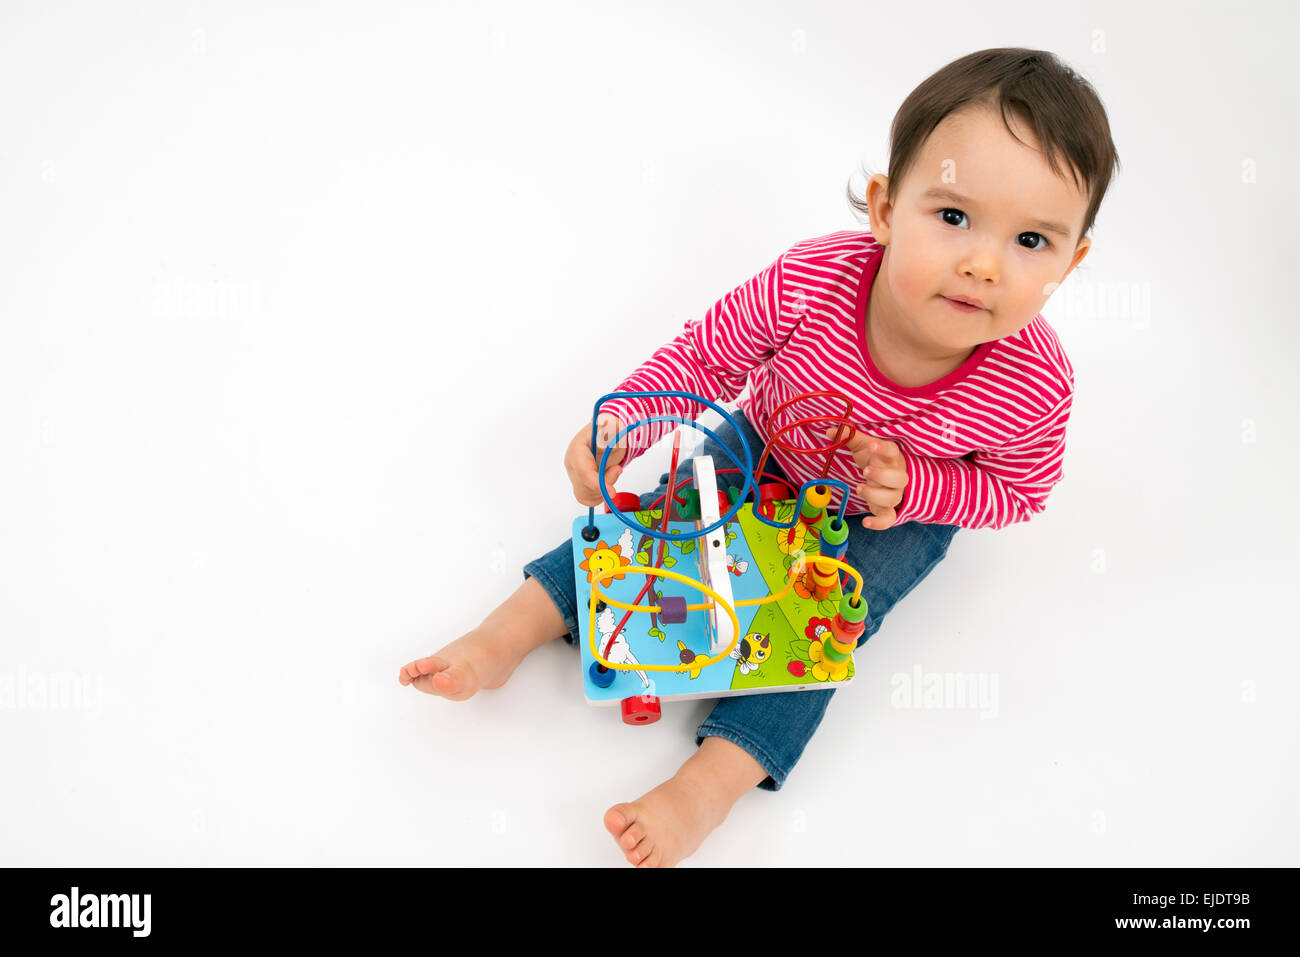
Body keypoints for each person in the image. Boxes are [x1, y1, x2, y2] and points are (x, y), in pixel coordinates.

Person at [398, 47, 1120, 867]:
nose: (983, 263)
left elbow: (1018, 491)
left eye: (1031, 240)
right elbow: (706, 358)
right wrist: (624, 423)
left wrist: (918, 485)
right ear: (885, 208)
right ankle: (506, 633)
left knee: (819, 637)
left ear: (1071, 263)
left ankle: (707, 785)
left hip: (889, 521)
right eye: (952, 216)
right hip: (764, 444)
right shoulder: (815, 279)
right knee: (645, 527)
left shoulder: (1035, 380)